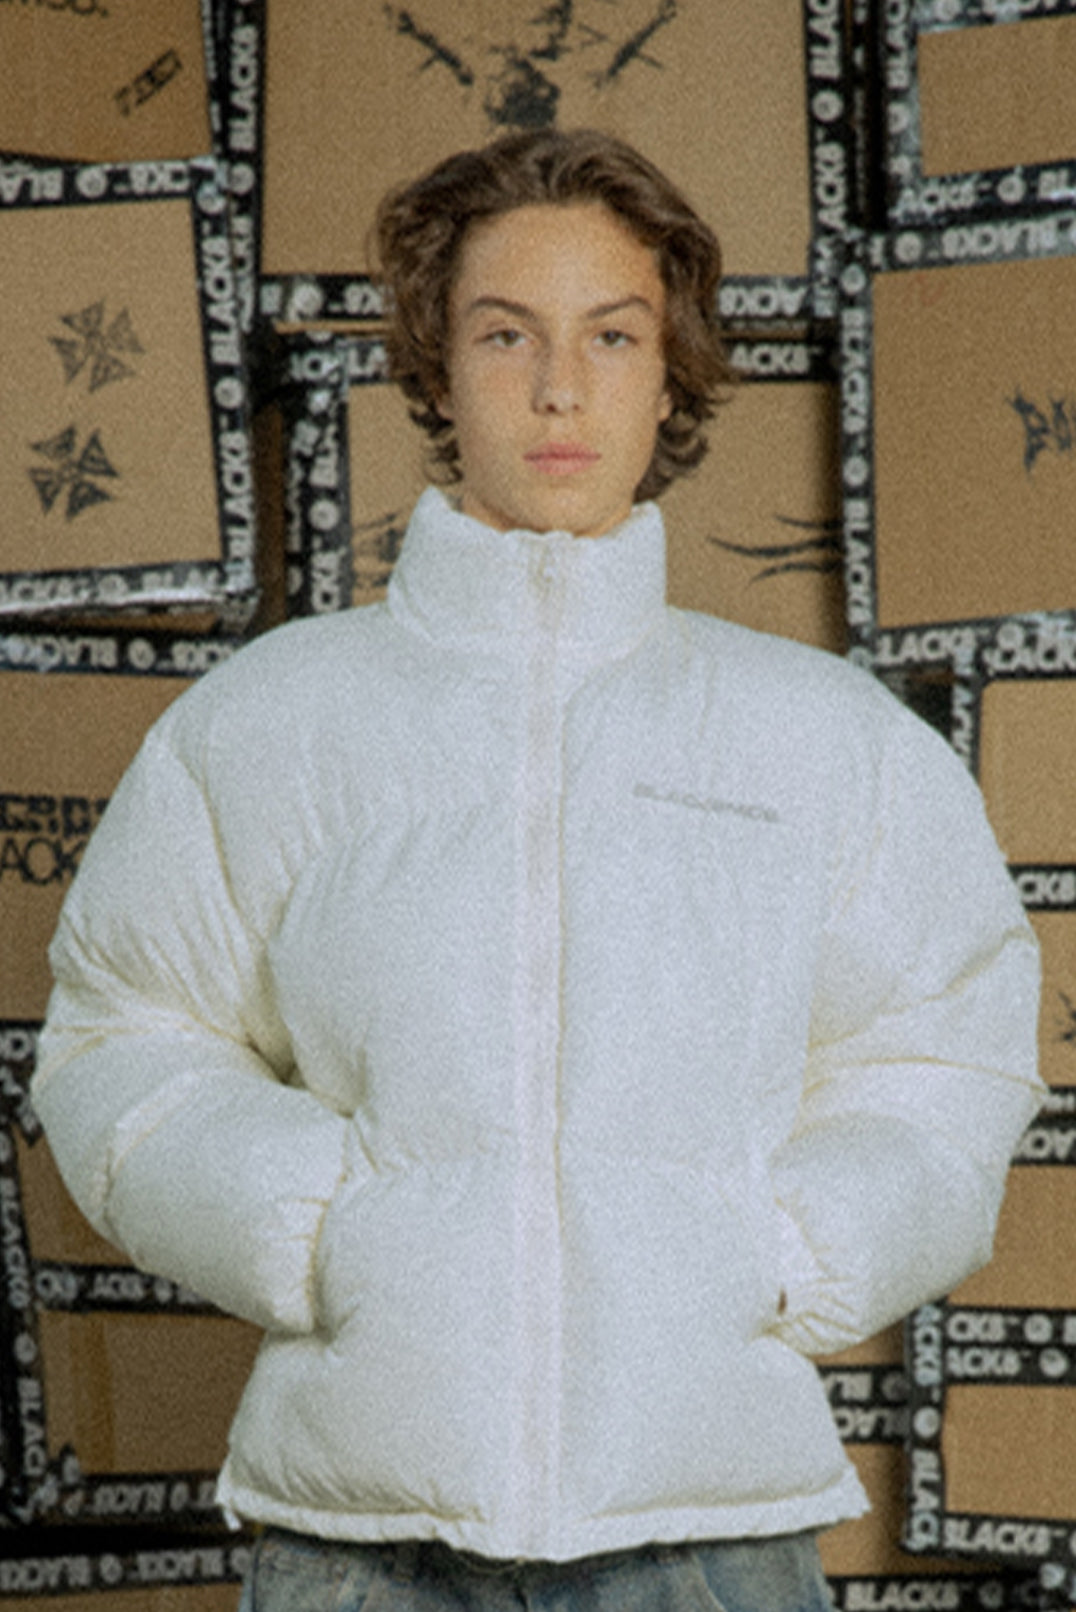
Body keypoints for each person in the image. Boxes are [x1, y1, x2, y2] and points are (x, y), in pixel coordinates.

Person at [32, 129, 1042, 1612]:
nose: (561, 388)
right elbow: (122, 1034)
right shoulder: (270, 723)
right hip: (361, 1548)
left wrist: (780, 1252)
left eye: (612, 336)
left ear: (670, 372)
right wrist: (319, 1236)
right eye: (507, 334)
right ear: (436, 371)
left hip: (710, 1543)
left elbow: (946, 1051)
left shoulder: (828, 741)